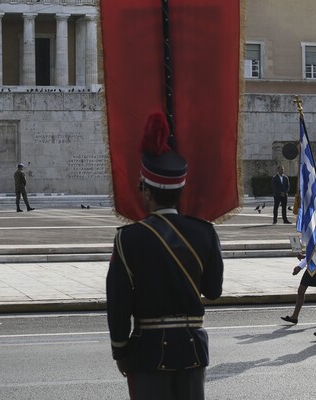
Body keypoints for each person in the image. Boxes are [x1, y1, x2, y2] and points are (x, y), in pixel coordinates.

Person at [106, 113, 224, 400]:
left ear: (146, 192)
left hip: (147, 351)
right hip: (192, 349)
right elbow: (213, 290)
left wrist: (120, 350)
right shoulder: (205, 232)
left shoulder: (128, 238)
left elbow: (119, 304)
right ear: (180, 190)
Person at [280, 228, 316, 325]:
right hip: (311, 265)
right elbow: (310, 253)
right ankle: (294, 316)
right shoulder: (311, 236)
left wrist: (300, 266)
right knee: (301, 290)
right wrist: (303, 255)